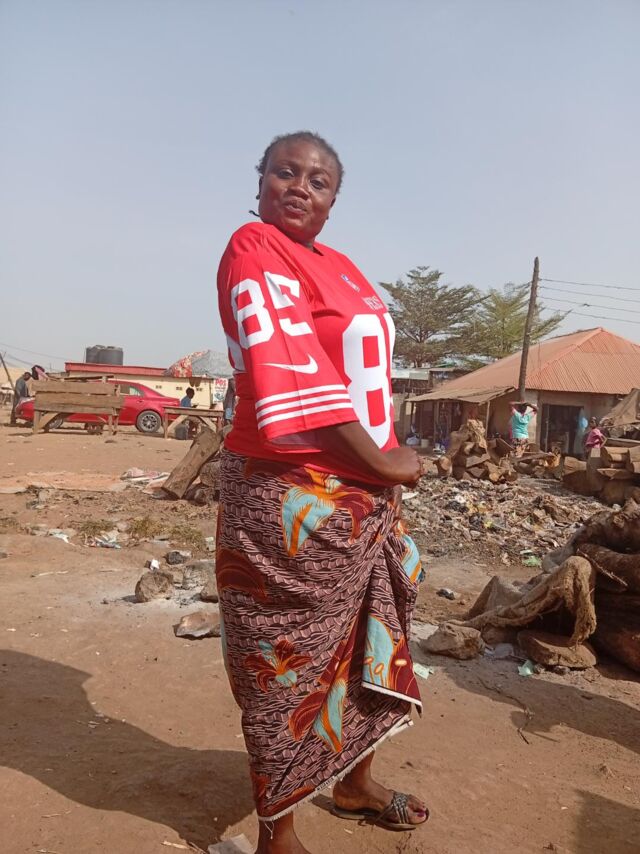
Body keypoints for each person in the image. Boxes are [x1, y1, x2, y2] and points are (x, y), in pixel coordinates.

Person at [216, 132, 427, 854]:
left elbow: (362, 378)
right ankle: (278, 835)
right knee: (283, 665)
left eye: (319, 180)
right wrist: (387, 463)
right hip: (289, 498)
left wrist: (382, 475)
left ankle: (354, 782)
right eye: (286, 172)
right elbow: (297, 373)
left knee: (370, 640)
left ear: (335, 200)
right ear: (261, 181)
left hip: (364, 497)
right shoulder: (254, 248)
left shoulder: (342, 267)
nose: (300, 187)